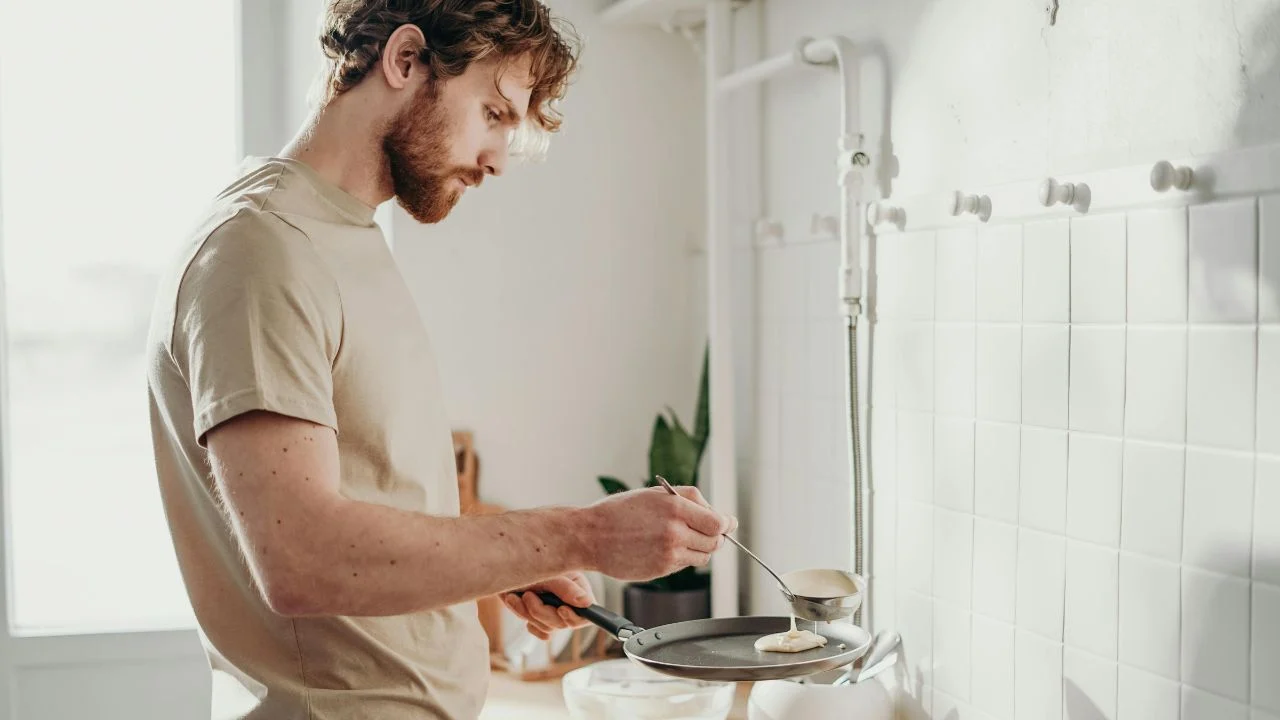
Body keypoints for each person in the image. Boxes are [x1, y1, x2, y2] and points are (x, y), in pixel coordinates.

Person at [144, 1, 736, 718]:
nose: (495, 161)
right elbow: (302, 559)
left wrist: (511, 565)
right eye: (492, 113)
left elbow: (369, 495)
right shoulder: (263, 251)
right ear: (403, 60)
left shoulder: (343, 235)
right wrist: (585, 535)